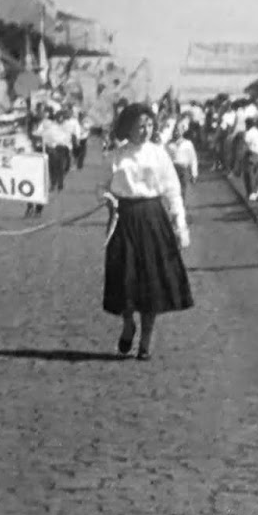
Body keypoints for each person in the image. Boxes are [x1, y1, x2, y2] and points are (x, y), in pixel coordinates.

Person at [100, 103, 193, 361]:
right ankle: (128, 324)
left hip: (153, 219)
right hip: (125, 219)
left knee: (151, 280)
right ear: (127, 126)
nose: (145, 130)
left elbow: (172, 190)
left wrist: (180, 225)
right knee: (125, 278)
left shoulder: (159, 154)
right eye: (140, 125)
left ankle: (146, 341)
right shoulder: (116, 156)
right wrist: (108, 198)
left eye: (149, 125)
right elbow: (102, 187)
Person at [165, 119, 198, 193]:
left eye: (178, 130)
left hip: (183, 170)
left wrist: (194, 173)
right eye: (174, 130)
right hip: (172, 170)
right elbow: (164, 159)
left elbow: (193, 159)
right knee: (172, 191)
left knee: (182, 190)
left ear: (183, 131)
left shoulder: (188, 144)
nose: (176, 132)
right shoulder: (168, 144)